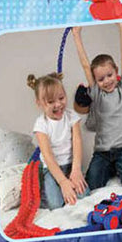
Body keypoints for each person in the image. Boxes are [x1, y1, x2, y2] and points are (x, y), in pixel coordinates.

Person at [72, 24, 122, 190]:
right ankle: (111, 169)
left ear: (116, 71)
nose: (106, 81)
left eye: (110, 75)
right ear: (96, 81)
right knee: (91, 186)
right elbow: (85, 65)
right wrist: (76, 35)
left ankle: (117, 167)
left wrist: (121, 26)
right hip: (102, 153)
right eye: (101, 79)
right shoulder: (97, 94)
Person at [28, 72, 89, 209]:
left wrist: (76, 170)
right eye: (51, 102)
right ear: (39, 104)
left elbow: (77, 143)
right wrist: (63, 182)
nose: (58, 104)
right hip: (52, 169)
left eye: (61, 98)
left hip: (71, 166)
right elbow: (48, 157)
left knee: (83, 196)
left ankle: (71, 183)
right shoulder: (41, 125)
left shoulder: (71, 116)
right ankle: (44, 191)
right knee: (55, 204)